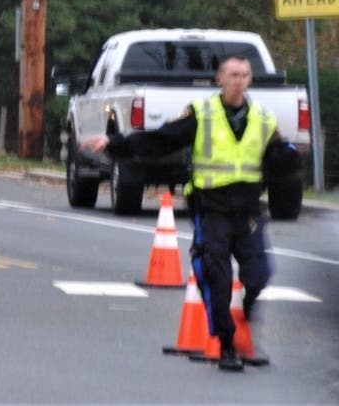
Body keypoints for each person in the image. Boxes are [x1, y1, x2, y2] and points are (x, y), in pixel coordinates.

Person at [93, 55, 300, 372]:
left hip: (247, 211)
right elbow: (162, 139)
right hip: (211, 208)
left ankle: (244, 309)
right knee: (216, 279)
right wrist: (115, 142)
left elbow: (278, 155)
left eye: (244, 75)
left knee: (259, 274)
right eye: (232, 74)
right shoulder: (202, 114)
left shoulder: (262, 118)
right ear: (220, 79)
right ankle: (227, 345)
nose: (238, 80)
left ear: (249, 80)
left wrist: (288, 159)